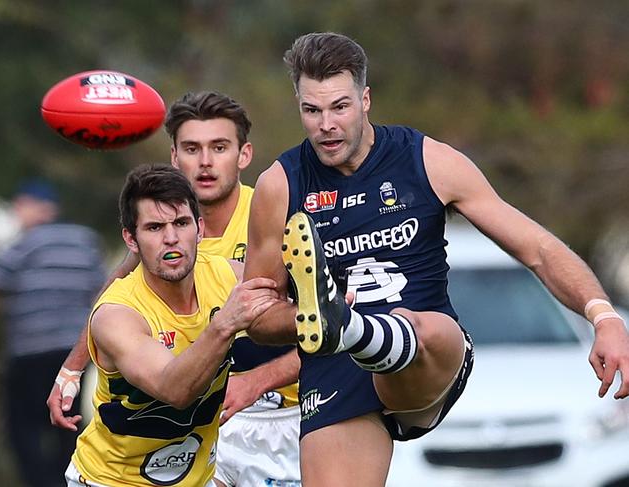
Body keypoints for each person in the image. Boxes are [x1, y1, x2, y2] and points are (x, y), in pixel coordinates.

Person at [243, 32, 629, 486]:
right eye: (312, 110)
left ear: (366, 100)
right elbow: (259, 317)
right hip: (338, 368)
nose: (326, 124)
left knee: (421, 328)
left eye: (340, 107)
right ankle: (334, 321)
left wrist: (604, 318)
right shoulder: (280, 186)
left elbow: (538, 249)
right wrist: (300, 319)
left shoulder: (427, 161)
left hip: (428, 359)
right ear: (300, 108)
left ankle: (345, 324)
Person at [48, 91, 302, 486]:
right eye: (191, 148)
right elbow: (117, 300)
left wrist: (260, 378)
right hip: (131, 463)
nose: (204, 162)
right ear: (133, 238)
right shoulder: (133, 288)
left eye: (218, 147)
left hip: (271, 419)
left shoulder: (263, 232)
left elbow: (322, 323)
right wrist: (72, 367)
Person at [65, 164, 278, 487]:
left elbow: (292, 312)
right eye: (154, 227)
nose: (171, 238)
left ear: (200, 229)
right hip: (111, 481)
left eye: (181, 223)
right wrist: (224, 325)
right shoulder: (116, 314)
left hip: (198, 479)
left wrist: (328, 300)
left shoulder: (227, 276)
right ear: (131, 239)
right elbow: (175, 391)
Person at [0, 179, 105, 487]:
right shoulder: (84, 241)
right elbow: (102, 294)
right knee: (69, 427)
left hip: (30, 352)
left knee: (24, 430)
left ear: (28, 206)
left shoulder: (26, 242)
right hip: (74, 354)